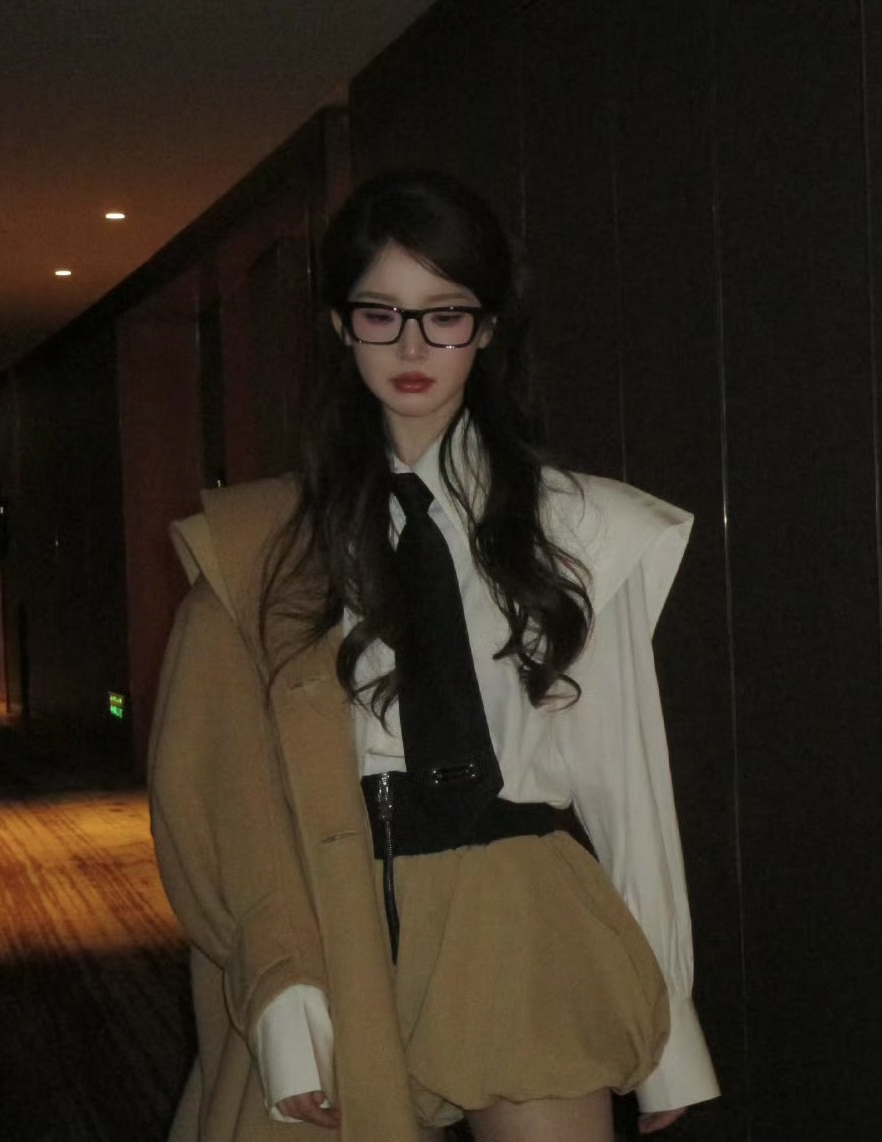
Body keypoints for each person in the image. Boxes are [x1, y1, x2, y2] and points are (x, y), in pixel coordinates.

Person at [149, 170, 720, 1142]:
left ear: (487, 328)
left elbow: (627, 789)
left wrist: (670, 1024)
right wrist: (281, 992)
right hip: (333, 917)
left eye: (444, 315)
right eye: (381, 314)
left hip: (520, 912)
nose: (412, 348)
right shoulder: (267, 546)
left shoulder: (581, 528)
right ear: (340, 326)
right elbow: (217, 794)